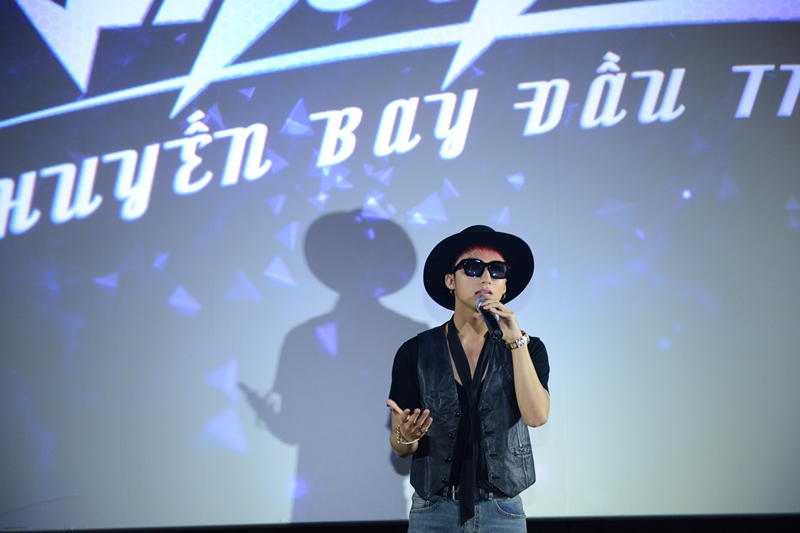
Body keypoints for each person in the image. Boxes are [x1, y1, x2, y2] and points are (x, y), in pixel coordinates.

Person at [387, 225, 550, 532]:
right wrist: (406, 436)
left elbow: (537, 417)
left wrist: (516, 342)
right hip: (433, 510)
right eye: (473, 268)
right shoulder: (416, 352)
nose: (486, 278)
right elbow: (400, 447)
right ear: (450, 280)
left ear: (504, 286)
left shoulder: (529, 348)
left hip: (502, 511)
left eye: (497, 270)